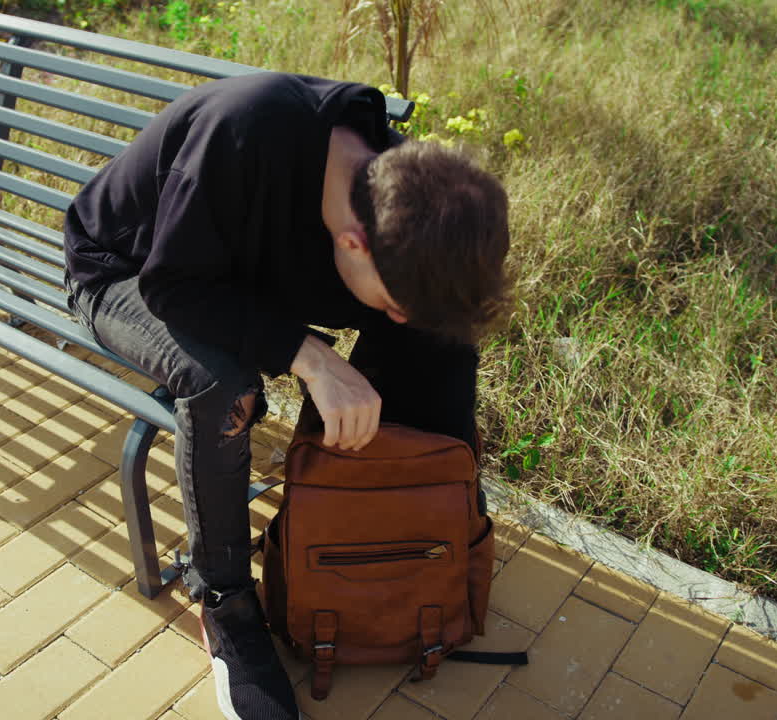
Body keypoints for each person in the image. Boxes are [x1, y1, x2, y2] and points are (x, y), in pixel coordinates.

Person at [63, 72, 510, 720]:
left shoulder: (395, 180)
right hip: (130, 270)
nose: (396, 315)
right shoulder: (242, 136)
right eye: (389, 298)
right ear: (355, 243)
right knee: (225, 387)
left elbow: (411, 305)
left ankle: (422, 511)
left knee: (439, 332)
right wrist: (312, 358)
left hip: (243, 269)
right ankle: (225, 607)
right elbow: (175, 288)